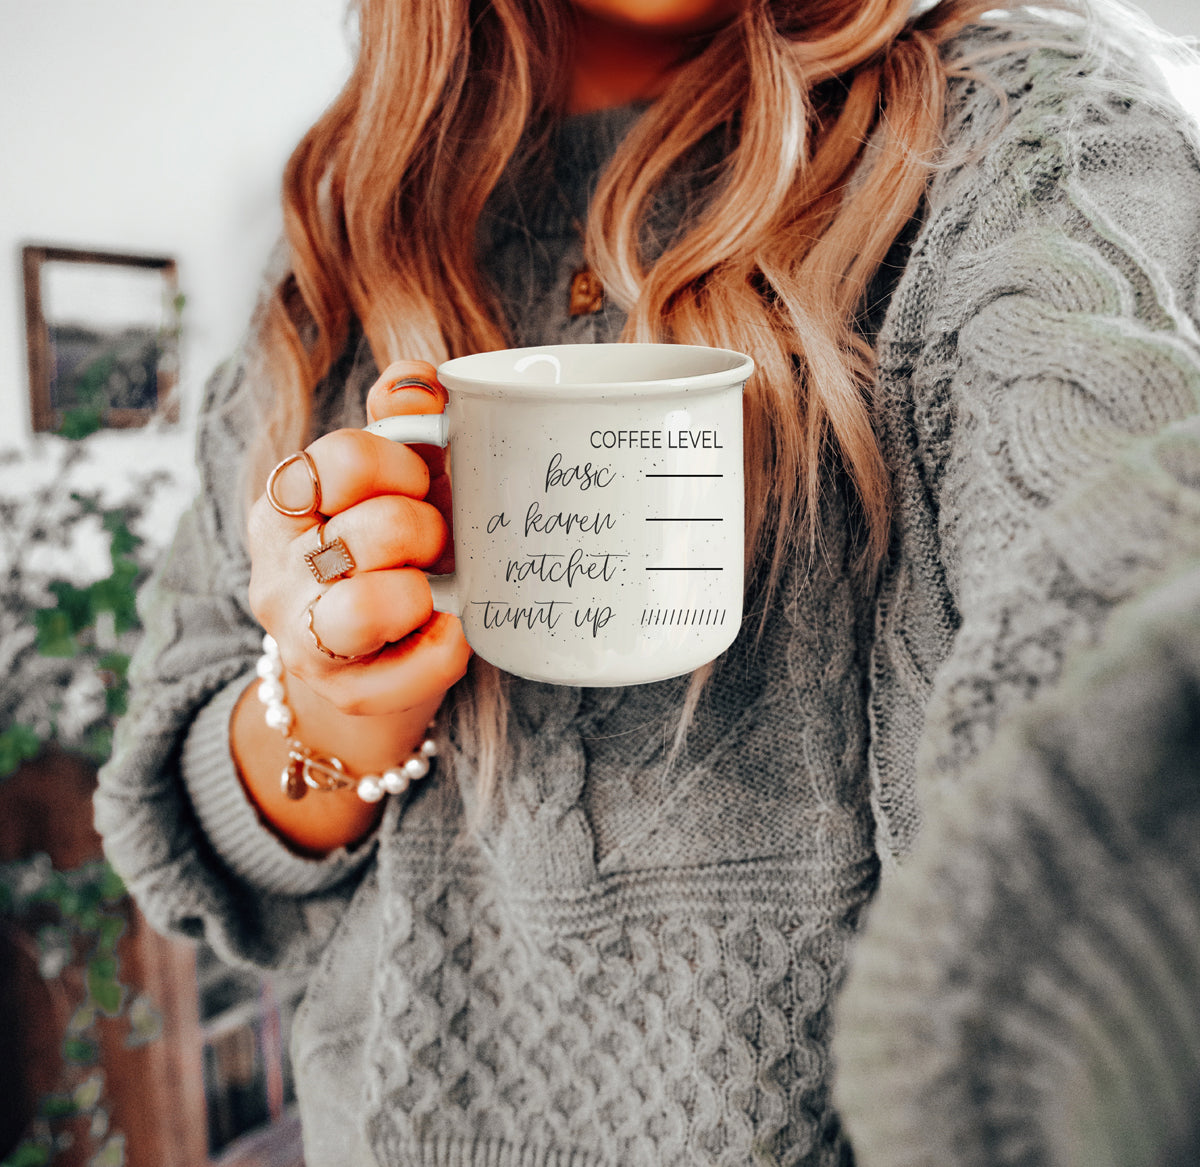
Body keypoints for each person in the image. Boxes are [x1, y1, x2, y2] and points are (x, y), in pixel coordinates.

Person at [94, 0, 1200, 1162]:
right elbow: (185, 827)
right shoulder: (340, 248)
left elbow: (1120, 625)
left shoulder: (1022, 132)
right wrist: (336, 705)